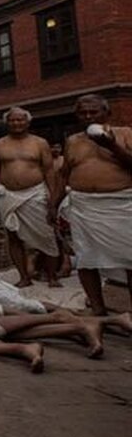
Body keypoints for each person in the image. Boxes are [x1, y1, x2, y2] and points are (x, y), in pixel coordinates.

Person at [54, 94, 132, 314]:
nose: (88, 116)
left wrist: (111, 145)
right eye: (83, 113)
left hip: (122, 206)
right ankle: (98, 309)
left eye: (93, 112)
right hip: (83, 207)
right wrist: (53, 204)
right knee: (87, 260)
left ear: (106, 113)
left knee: (130, 258)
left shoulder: (125, 133)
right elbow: (64, 175)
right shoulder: (73, 141)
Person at [0, 107, 59, 286]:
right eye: (12, 120)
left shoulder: (40, 143)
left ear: (28, 122)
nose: (16, 123)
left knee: (46, 234)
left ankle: (52, 277)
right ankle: (24, 277)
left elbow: (49, 171)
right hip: (8, 194)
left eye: (20, 120)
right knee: (13, 235)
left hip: (35, 193)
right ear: (7, 123)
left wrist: (53, 198)